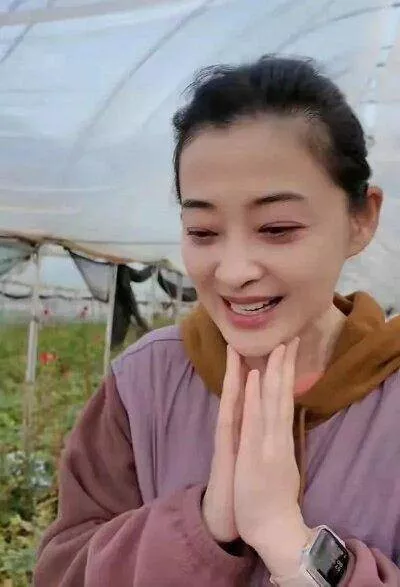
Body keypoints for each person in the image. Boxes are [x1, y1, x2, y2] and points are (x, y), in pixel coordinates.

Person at [33, 56, 400, 586]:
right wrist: (202, 526)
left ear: (361, 219)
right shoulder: (144, 383)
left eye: (276, 228)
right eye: (203, 232)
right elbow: (62, 570)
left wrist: (290, 544)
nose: (233, 272)